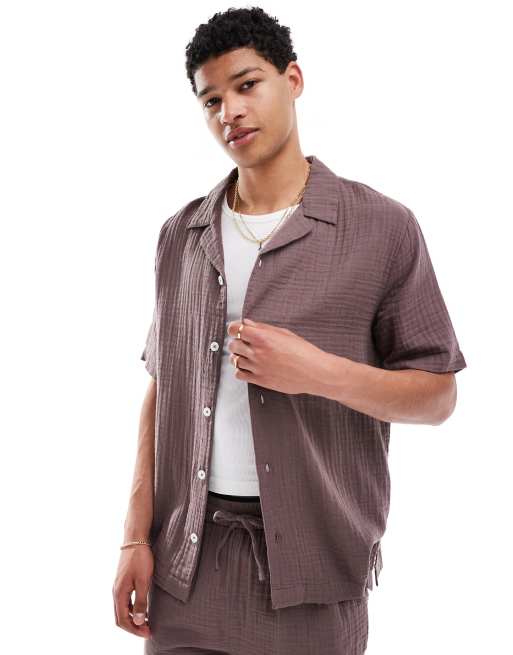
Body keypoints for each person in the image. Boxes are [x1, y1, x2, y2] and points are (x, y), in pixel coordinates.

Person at [112, 7, 467, 654]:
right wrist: (134, 537)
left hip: (313, 572)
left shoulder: (381, 228)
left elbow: (438, 395)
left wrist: (317, 372)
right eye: (211, 99)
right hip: (184, 566)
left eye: (247, 85)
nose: (230, 112)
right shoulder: (180, 235)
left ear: (293, 80)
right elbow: (161, 388)